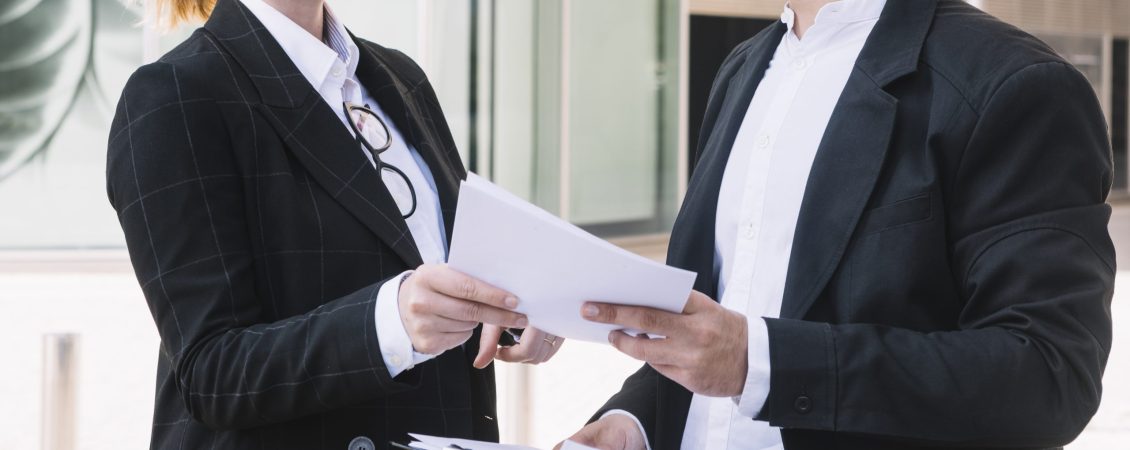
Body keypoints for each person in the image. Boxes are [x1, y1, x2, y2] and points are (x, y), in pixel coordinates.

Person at [562, 0, 1115, 449]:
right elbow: (714, 332)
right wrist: (633, 425)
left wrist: (765, 362)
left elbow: (1049, 374)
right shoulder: (743, 69)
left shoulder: (1013, 82)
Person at [105, 0, 563, 448]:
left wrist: (522, 305)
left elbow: (439, 259)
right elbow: (212, 372)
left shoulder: (401, 78)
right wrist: (391, 323)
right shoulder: (175, 94)